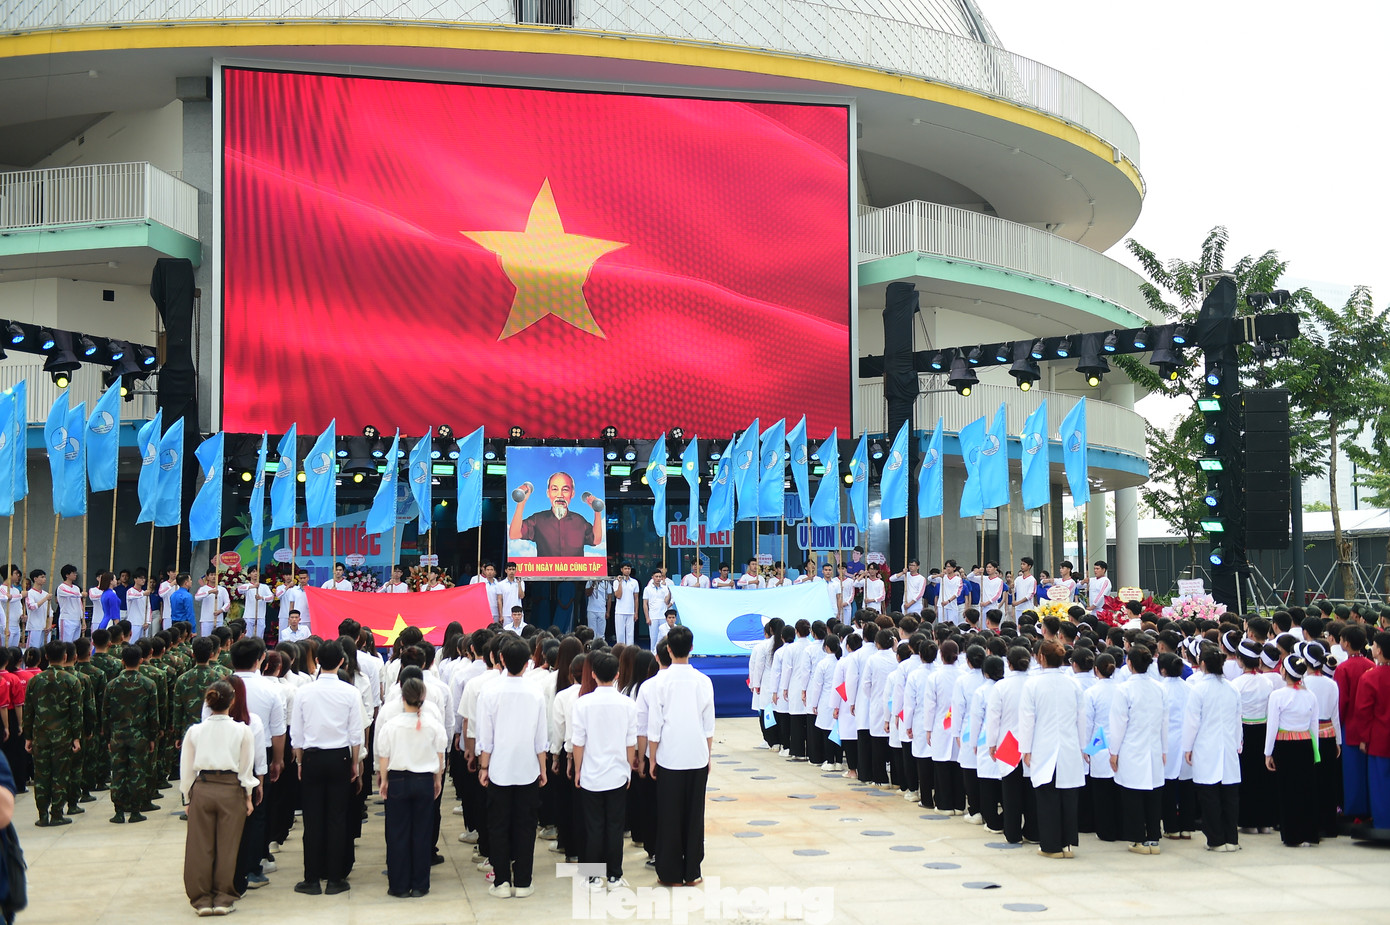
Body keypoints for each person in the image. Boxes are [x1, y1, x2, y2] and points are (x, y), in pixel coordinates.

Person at [476, 635, 549, 899]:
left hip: (499, 769)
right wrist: (542, 768)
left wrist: (484, 767)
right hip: (528, 768)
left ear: (502, 659)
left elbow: (486, 736)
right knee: (525, 826)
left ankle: (501, 882)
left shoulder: (490, 691)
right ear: (528, 663)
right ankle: (524, 881)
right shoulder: (535, 692)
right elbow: (541, 737)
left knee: (498, 826)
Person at [290, 640, 363, 895]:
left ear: (318, 661)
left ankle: (311, 878)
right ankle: (335, 878)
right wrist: (355, 764)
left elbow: (296, 733)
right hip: (340, 758)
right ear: (342, 662)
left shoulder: (304, 692)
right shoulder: (350, 692)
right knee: (337, 819)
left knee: (312, 820)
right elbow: (356, 735)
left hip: (311, 758)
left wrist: (300, 761)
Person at [180, 679, 257, 916]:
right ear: (232, 702)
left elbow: (186, 768)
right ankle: (224, 897)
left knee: (199, 847)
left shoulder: (195, 731)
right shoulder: (243, 730)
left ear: (208, 702)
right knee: (228, 846)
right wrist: (248, 796)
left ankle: (201, 899)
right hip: (231, 788)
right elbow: (246, 767)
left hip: (202, 788)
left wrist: (186, 798)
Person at [646, 626, 715, 887]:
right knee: (694, 815)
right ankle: (692, 871)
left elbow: (655, 727)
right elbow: (709, 725)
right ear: (692, 649)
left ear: (669, 650)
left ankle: (670, 872)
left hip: (669, 757)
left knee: (669, 816)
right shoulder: (703, 681)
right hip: (697, 755)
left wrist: (652, 760)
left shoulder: (659, 683)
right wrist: (707, 756)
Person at [571, 650, 637, 890]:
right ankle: (614, 876)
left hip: (590, 774)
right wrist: (628, 769)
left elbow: (578, 742)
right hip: (618, 774)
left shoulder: (583, 703)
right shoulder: (628, 704)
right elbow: (631, 742)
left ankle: (592, 877)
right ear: (617, 675)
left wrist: (578, 771)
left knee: (593, 826)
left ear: (593, 674)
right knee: (614, 826)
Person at [378, 676, 447, 898]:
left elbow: (384, 757)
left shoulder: (391, 726)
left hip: (398, 780)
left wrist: (384, 780)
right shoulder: (433, 725)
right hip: (424, 781)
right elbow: (440, 758)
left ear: (402, 698)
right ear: (423, 698)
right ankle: (420, 884)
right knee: (422, 833)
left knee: (397, 833)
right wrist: (437, 781)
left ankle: (398, 885)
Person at [1017, 640, 1086, 859]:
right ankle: (1067, 844)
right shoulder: (1073, 684)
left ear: (1042, 658)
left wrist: (1025, 749)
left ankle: (1050, 845)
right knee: (1068, 797)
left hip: (1043, 745)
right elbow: (1081, 719)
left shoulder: (1033, 685)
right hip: (1069, 745)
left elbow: (1027, 720)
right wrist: (1082, 747)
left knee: (1047, 797)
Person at [1182, 647, 1242, 851]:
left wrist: (1187, 747)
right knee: (1229, 795)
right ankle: (1231, 839)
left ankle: (1216, 839)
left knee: (1209, 795)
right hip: (1228, 745)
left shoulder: (1198, 689)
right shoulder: (1231, 688)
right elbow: (1237, 720)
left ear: (1203, 664)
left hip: (1206, 745)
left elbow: (1192, 722)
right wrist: (1237, 743)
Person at [22, 641, 83, 826]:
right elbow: (76, 713)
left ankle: (42, 815)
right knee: (60, 775)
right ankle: (57, 813)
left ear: (46, 657)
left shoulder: (35, 681)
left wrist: (28, 737)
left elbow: (28, 711)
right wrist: (76, 737)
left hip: (40, 736)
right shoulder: (72, 681)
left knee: (41, 775)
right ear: (65, 656)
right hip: (63, 737)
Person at [1265, 654, 1321, 847]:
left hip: (1285, 745)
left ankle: (1292, 835)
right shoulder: (1310, 695)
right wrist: (1316, 752)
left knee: (1287, 790)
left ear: (1285, 672)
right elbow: (1314, 727)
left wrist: (1268, 753)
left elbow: (1272, 726)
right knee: (1306, 789)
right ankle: (1308, 833)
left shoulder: (1277, 695)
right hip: (1305, 744)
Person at [508, 472, 604, 557]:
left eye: (565, 490)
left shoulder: (579, 521)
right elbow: (514, 534)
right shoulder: (538, 519)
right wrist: (522, 502)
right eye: (554, 489)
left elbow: (596, 540)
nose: (560, 495)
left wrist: (597, 511)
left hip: (575, 576)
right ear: (548, 493)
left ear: (572, 494)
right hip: (545, 576)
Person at [1351, 631, 1390, 829]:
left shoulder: (1370, 678)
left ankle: (1384, 823)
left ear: (1380, 650)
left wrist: (1363, 738)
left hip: (1380, 739)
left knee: (1381, 784)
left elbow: (1363, 712)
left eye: (1374, 645)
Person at [236, 566, 274, 639]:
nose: (256, 573)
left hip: (260, 616)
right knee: (248, 637)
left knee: (259, 637)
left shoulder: (264, 587)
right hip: (249, 616)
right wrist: (253, 587)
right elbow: (239, 589)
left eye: (257, 571)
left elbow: (271, 598)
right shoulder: (246, 586)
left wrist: (262, 598)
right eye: (253, 572)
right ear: (249, 574)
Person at [641, 570, 670, 651]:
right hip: (653, 616)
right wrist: (647, 617)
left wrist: (670, 591)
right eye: (656, 577)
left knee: (664, 637)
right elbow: (645, 604)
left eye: (659, 577)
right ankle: (653, 655)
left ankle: (665, 654)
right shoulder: (647, 589)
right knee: (653, 638)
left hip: (663, 616)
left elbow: (667, 601)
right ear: (652, 577)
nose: (658, 578)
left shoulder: (665, 588)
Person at [195, 571, 230, 637]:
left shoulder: (222, 589)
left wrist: (221, 610)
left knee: (219, 639)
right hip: (206, 620)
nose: (214, 577)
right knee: (206, 639)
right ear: (207, 577)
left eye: (215, 575)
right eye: (211, 575)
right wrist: (209, 592)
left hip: (218, 619)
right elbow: (197, 597)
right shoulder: (203, 589)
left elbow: (227, 603)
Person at [611, 564, 639, 647]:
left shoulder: (634, 582)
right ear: (621, 570)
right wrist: (620, 583)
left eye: (629, 568)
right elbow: (618, 595)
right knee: (620, 635)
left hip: (630, 612)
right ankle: (620, 653)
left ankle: (630, 654)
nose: (627, 570)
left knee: (630, 635)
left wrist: (636, 612)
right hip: (620, 611)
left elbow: (636, 598)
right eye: (625, 568)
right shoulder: (616, 582)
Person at [55, 565, 84, 642]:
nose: (75, 574)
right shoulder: (61, 587)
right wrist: (81, 594)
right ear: (67, 575)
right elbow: (71, 594)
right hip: (67, 619)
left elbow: (80, 604)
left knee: (75, 644)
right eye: (73, 573)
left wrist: (82, 619)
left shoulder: (76, 588)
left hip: (77, 619)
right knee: (66, 643)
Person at [24, 569, 51, 650]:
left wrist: (49, 625)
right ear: (35, 579)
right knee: (33, 650)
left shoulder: (46, 594)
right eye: (42, 577)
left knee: (45, 650)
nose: (44, 579)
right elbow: (32, 607)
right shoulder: (29, 593)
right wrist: (45, 599)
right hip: (34, 627)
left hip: (45, 627)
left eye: (45, 577)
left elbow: (50, 612)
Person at [583, 575, 610, 641]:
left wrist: (608, 611)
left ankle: (601, 649)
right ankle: (592, 649)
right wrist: (594, 583)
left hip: (602, 610)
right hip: (591, 610)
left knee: (601, 634)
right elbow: (587, 594)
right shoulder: (589, 582)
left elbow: (609, 598)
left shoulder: (606, 583)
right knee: (591, 633)